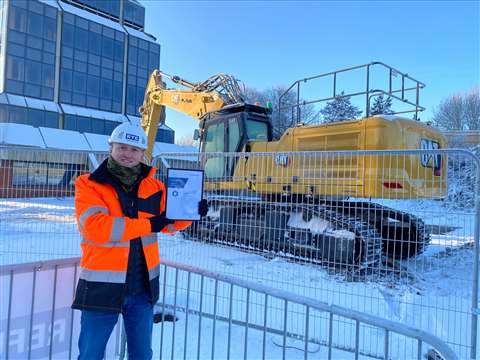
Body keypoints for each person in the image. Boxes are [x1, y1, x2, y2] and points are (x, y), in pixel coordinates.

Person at [72, 122, 208, 360]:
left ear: (143, 154)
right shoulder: (89, 184)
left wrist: (190, 213)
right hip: (101, 287)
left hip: (142, 289)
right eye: (122, 147)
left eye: (134, 149)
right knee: (91, 354)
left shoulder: (154, 186)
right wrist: (148, 225)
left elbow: (169, 224)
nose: (127, 154)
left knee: (142, 354)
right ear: (111, 148)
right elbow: (95, 228)